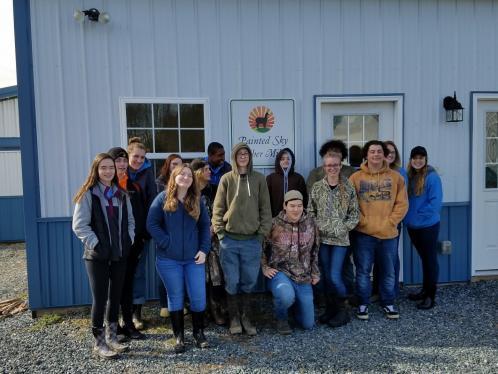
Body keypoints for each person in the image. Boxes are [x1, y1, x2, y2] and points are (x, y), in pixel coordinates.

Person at [72, 153, 135, 359]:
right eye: (103, 168)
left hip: (119, 255)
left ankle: (112, 337)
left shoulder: (122, 194)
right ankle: (99, 343)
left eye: (111, 167)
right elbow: (79, 226)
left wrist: (129, 240)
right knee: (100, 299)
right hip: (97, 256)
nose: (108, 171)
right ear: (96, 170)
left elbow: (131, 222)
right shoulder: (88, 194)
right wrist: (97, 244)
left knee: (115, 297)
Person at [146, 163, 211, 353]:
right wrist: (166, 242)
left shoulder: (197, 200)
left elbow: (204, 228)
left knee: (198, 297)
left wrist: (204, 250)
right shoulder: (163, 199)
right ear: (174, 177)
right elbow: (151, 224)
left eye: (189, 176)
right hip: (169, 260)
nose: (185, 178)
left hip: (194, 259)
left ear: (193, 180)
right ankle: (179, 337)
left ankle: (199, 334)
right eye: (181, 174)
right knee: (175, 297)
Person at [212, 142, 272, 336]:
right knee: (232, 280)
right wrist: (221, 233)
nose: (243, 156)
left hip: (252, 241)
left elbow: (266, 209)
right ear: (235, 157)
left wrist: (261, 234)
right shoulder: (226, 179)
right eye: (240, 154)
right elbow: (218, 209)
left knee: (248, 280)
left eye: (246, 153)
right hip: (229, 240)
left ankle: (246, 316)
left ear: (250, 157)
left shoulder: (259, 179)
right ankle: (234, 317)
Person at [349, 140, 408, 320]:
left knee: (388, 271)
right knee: (363, 271)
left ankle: (388, 303)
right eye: (372, 151)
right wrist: (363, 222)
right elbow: (351, 206)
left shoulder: (396, 177)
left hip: (389, 234)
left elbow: (402, 204)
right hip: (364, 234)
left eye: (379, 151)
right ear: (366, 155)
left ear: (384, 155)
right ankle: (362, 304)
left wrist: (391, 221)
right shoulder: (355, 178)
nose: (375, 154)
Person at [308, 153, 359, 328]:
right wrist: (317, 227)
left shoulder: (348, 187)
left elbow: (354, 214)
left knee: (336, 276)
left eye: (335, 165)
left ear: (340, 166)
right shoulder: (317, 187)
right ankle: (331, 308)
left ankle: (343, 311)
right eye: (329, 165)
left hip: (340, 240)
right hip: (322, 239)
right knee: (326, 276)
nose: (332, 168)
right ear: (324, 167)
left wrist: (342, 228)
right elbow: (310, 211)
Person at [262, 190, 320, 335]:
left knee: (308, 324)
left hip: (303, 275)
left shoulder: (311, 223)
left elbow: (315, 249)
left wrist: (315, 272)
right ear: (285, 206)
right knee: (285, 295)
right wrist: (264, 267)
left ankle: (294, 307)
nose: (296, 209)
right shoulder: (274, 223)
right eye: (292, 206)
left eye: (299, 206)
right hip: (281, 273)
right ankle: (281, 318)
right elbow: (260, 247)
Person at [106, 147, 146, 340]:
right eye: (118, 161)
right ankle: (112, 328)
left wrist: (138, 243)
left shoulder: (134, 187)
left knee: (128, 285)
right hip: (111, 249)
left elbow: (138, 218)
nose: (121, 165)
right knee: (114, 288)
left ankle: (128, 324)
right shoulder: (104, 188)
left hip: (131, 247)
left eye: (123, 161)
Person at [405, 146, 443, 310]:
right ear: (411, 160)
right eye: (415, 158)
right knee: (424, 259)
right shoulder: (409, 176)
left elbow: (435, 203)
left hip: (427, 226)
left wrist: (418, 214)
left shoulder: (432, 177)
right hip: (412, 226)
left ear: (426, 159)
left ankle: (430, 296)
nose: (418, 160)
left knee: (429, 260)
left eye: (421, 157)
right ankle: (424, 290)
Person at [191, 158, 227, 325]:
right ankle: (202, 310)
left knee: (216, 276)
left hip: (213, 239)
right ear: (198, 172)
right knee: (200, 277)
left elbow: (221, 210)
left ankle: (216, 308)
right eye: (206, 169)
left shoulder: (214, 189)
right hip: (194, 240)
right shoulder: (190, 192)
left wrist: (213, 228)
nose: (209, 172)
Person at [126, 137, 157, 330]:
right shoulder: (119, 173)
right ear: (128, 155)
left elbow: (152, 204)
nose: (138, 160)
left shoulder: (147, 174)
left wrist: (146, 232)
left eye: (142, 157)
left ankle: (136, 314)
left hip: (140, 235)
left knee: (138, 273)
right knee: (121, 274)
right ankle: (122, 314)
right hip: (121, 236)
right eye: (135, 156)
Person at [371, 141, 407, 300]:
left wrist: (392, 220)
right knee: (378, 257)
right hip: (374, 223)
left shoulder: (399, 173)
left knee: (391, 258)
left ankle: (391, 292)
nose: (390, 155)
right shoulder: (376, 172)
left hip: (392, 222)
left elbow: (403, 200)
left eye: (393, 152)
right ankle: (377, 290)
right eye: (388, 152)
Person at [155, 153, 183, 318]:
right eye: (174, 164)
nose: (177, 167)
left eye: (180, 164)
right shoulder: (159, 184)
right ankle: (164, 304)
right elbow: (154, 214)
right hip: (164, 234)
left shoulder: (184, 183)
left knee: (180, 270)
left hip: (181, 235)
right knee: (165, 270)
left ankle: (179, 304)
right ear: (168, 166)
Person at [266, 148, 307, 218]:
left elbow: (304, 200)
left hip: (294, 219)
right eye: (282, 159)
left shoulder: (298, 178)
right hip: (275, 218)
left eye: (288, 159)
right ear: (278, 161)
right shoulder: (271, 178)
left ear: (292, 161)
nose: (286, 161)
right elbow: (266, 201)